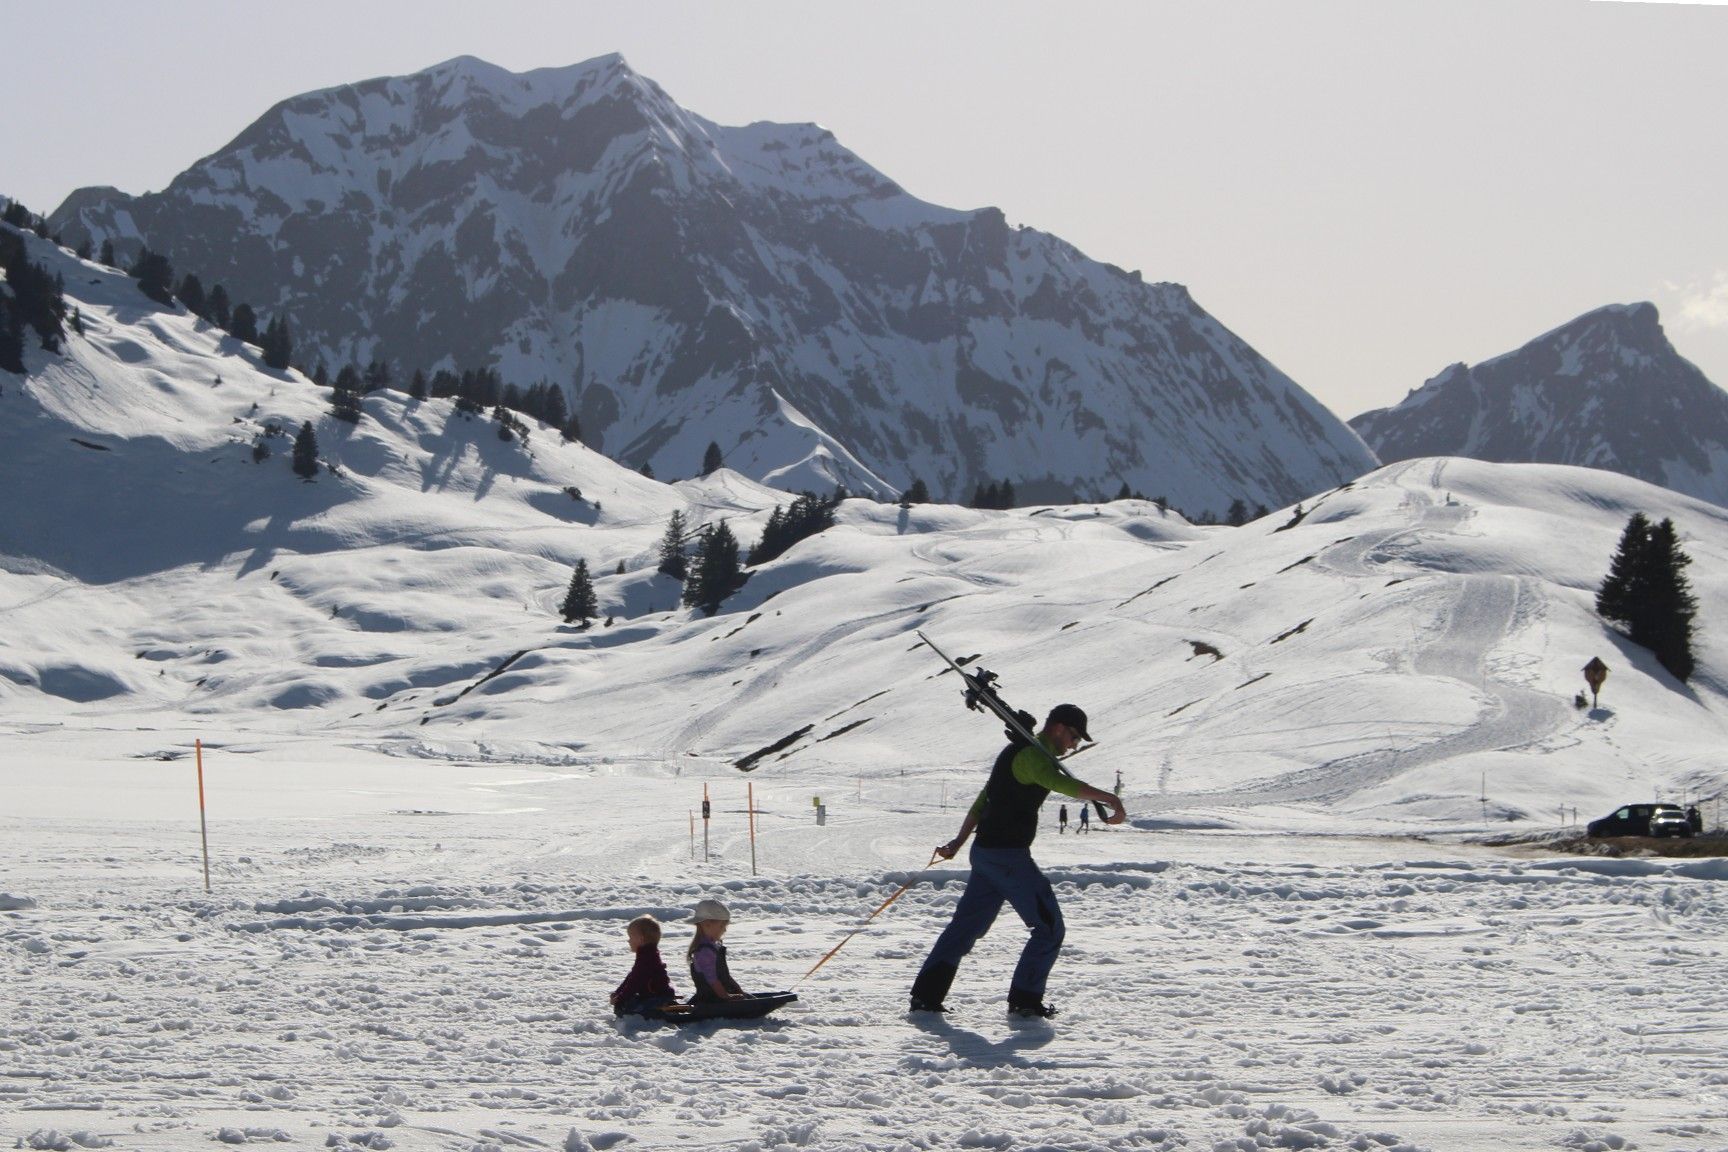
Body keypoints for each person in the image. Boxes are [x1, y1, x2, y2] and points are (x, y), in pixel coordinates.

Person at [909, 703, 1125, 1019]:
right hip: (1007, 858)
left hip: (984, 854)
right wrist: (1112, 798)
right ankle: (1025, 1001)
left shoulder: (1016, 752)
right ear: (1060, 728)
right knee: (1050, 927)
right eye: (1074, 737)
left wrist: (959, 842)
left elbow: (984, 800)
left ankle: (926, 997)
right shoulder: (1033, 758)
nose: (1074, 745)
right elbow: (1063, 784)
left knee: (965, 927)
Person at [610, 914, 679, 1017]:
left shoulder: (647, 958)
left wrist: (621, 998)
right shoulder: (645, 955)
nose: (628, 941)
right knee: (627, 1004)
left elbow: (635, 981)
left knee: (626, 1009)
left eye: (631, 937)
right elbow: (632, 976)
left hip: (658, 997)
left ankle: (665, 1009)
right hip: (651, 996)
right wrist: (618, 993)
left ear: (641, 939)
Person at [687, 898, 746, 1002]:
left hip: (722, 994)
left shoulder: (713, 947)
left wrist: (740, 991)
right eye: (722, 926)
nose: (724, 929)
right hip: (711, 1000)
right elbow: (712, 979)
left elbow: (724, 976)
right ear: (707, 924)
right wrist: (726, 997)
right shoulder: (704, 952)